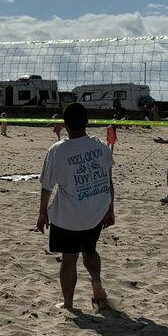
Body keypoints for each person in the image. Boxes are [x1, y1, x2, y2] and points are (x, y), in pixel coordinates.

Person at [37, 103, 114, 313]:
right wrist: (111, 209)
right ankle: (96, 284)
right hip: (96, 212)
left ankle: (69, 304)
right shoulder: (100, 146)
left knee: (69, 259)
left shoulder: (57, 150)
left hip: (69, 218)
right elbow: (108, 180)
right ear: (86, 122)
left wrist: (42, 213)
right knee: (90, 250)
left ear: (65, 125)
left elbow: (46, 187)